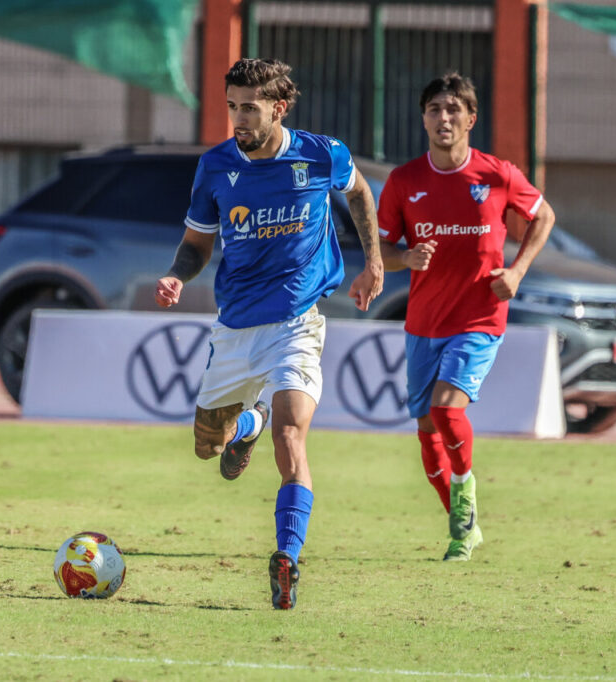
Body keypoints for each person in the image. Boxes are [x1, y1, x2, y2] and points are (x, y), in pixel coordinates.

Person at [154, 58, 384, 609]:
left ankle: (287, 557)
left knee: (292, 435)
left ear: (279, 107)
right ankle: (244, 425)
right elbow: (197, 244)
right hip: (236, 326)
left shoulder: (321, 153)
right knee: (208, 445)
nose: (238, 118)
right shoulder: (214, 167)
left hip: (298, 321)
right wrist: (176, 275)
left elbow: (359, 192)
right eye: (231, 106)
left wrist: (372, 261)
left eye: (249, 108)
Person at [377, 72, 555, 561]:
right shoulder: (404, 181)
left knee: (447, 409)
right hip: (422, 323)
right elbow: (382, 250)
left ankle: (465, 487)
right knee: (426, 430)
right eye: (434, 109)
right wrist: (404, 259)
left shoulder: (496, 174)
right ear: (424, 119)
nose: (444, 118)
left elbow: (544, 216)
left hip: (480, 317)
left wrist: (517, 272)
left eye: (453, 109)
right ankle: (463, 527)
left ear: (471, 119)